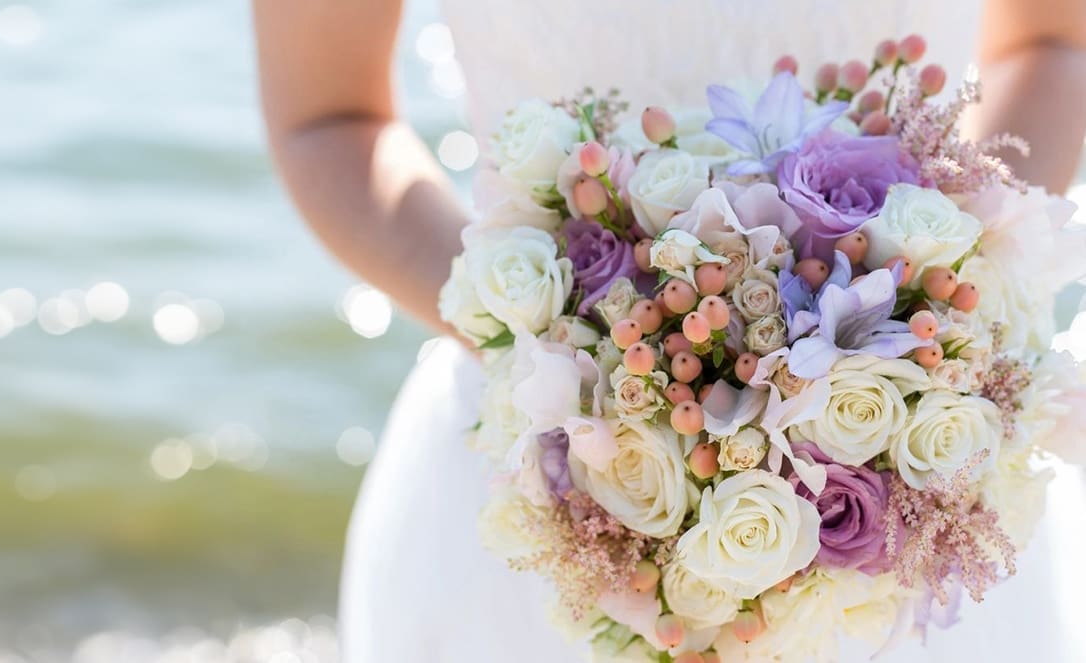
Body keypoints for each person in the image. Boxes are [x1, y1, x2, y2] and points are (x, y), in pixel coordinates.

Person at [254, 1, 1086, 661]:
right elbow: (329, 116)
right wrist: (573, 348)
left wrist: (934, 291)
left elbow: (1053, 41)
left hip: (921, 485)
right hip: (558, 465)